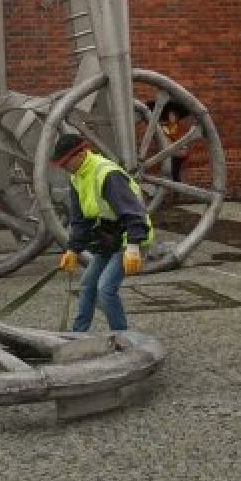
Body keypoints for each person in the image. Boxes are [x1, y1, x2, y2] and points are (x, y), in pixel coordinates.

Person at [50, 131, 153, 334]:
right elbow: (80, 220)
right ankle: (77, 335)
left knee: (105, 289)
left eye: (65, 162)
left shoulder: (107, 174)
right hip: (109, 238)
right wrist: (73, 250)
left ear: (80, 154)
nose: (63, 167)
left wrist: (133, 248)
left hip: (129, 238)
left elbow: (134, 213)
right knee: (87, 285)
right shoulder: (76, 178)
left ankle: (122, 338)